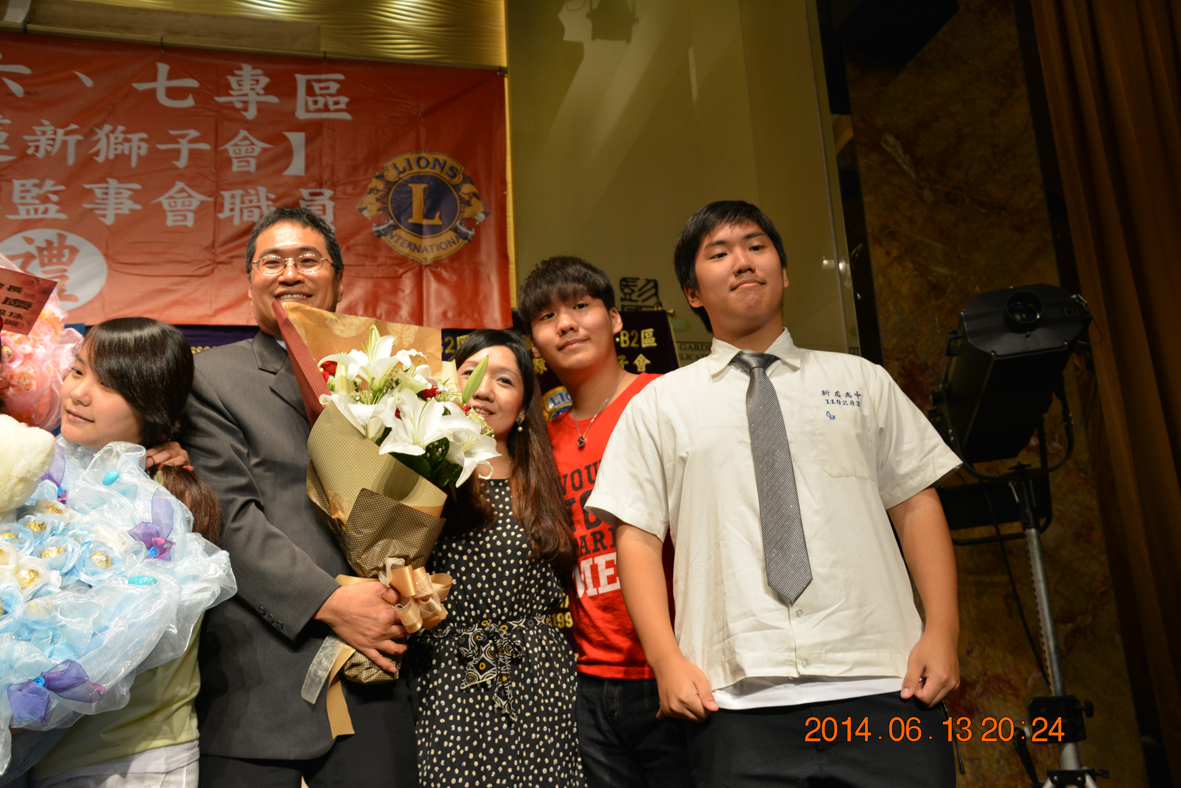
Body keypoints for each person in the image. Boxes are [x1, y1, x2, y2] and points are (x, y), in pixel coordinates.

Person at [587, 201, 962, 787]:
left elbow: (915, 503)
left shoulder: (861, 380)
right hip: (734, 703)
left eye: (756, 246)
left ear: (784, 273)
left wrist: (942, 631)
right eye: (719, 253)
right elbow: (636, 538)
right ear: (692, 293)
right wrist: (666, 661)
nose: (742, 261)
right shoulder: (659, 405)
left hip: (885, 683)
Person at [185, 207, 417, 788]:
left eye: (308, 260)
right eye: (273, 262)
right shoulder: (211, 379)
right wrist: (332, 602)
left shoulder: (392, 376)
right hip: (258, 681)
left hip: (376, 669)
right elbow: (229, 518)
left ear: (339, 281)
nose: (290, 273)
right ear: (250, 282)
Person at [30, 317, 232, 788]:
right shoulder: (42, 474)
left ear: (151, 406)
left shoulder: (163, 503)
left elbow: (122, 644)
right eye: (78, 371)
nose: (80, 393)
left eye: (110, 385)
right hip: (47, 758)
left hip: (131, 757)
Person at [517, 257, 690, 787]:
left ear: (615, 320)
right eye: (547, 316)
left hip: (678, 667)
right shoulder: (542, 442)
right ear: (534, 343)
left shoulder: (666, 399)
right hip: (588, 681)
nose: (566, 324)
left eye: (580, 306)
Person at [410, 329, 584, 788]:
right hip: (450, 676)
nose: (483, 389)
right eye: (470, 373)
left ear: (524, 407)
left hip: (540, 677)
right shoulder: (423, 475)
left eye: (504, 380)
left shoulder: (546, 481)